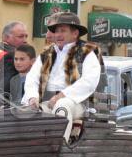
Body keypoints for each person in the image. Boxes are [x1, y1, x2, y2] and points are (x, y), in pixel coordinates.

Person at [23, 12, 102, 141]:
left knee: (62, 106)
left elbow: (89, 81)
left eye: (63, 31)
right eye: (56, 31)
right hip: (47, 102)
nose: (58, 35)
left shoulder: (87, 52)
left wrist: (62, 95)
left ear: (75, 33)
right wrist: (33, 97)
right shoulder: (46, 54)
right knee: (25, 112)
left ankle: (59, 147)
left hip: (77, 103)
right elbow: (32, 78)